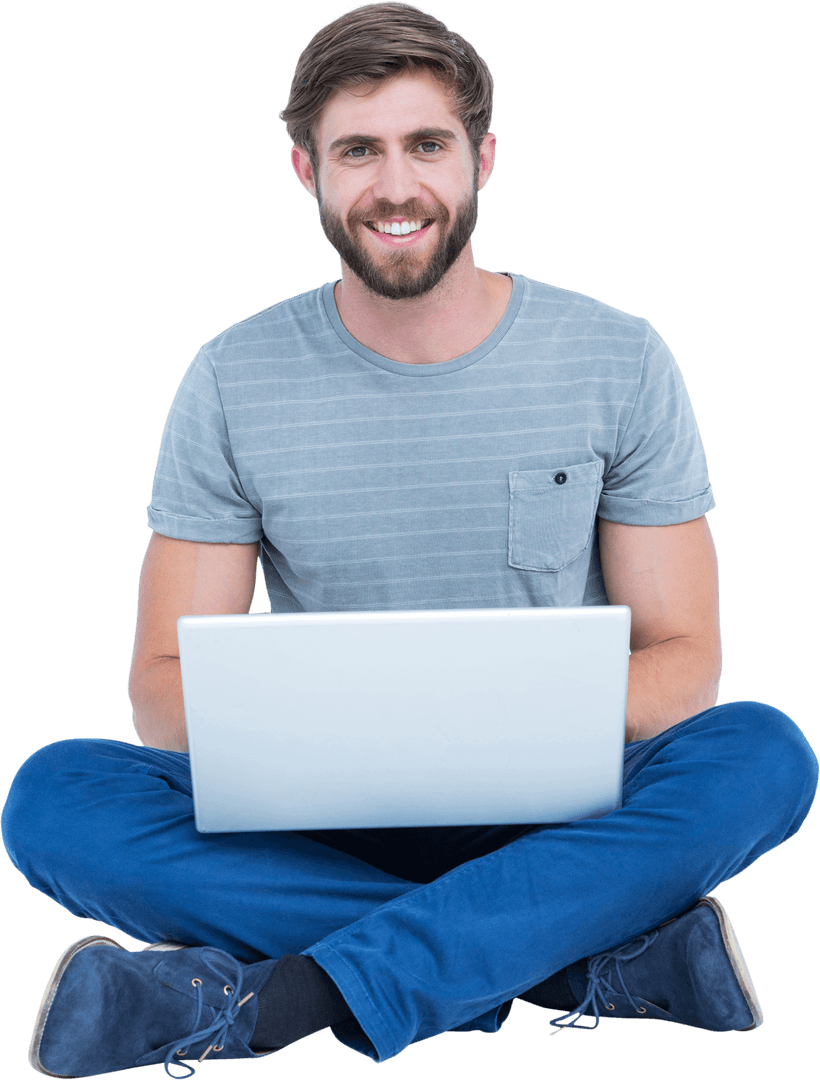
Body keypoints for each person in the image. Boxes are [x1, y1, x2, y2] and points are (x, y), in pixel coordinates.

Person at [2, 3, 817, 1076]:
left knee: (760, 755)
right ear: (307, 170)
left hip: (558, 820)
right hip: (316, 820)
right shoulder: (230, 378)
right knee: (56, 796)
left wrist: (490, 716)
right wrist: (348, 727)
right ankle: (570, 962)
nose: (395, 186)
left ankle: (287, 996)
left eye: (425, 145)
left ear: (480, 158)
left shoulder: (617, 357)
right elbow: (160, 689)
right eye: (358, 151)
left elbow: (685, 659)